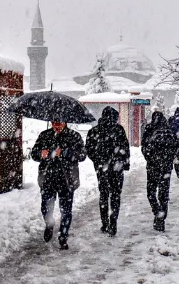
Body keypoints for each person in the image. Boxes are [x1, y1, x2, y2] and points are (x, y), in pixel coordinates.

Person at [31, 120, 86, 250]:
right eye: (54, 123)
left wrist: (65, 152)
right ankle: (49, 224)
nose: (56, 126)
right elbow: (34, 154)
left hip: (67, 179)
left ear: (65, 122)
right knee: (45, 207)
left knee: (66, 210)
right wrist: (40, 154)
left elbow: (82, 155)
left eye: (59, 123)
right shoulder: (45, 135)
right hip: (47, 178)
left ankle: (63, 236)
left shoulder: (74, 136)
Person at [86, 106, 130, 237]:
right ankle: (113, 221)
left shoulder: (94, 131)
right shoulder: (119, 130)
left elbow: (88, 148)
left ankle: (105, 223)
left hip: (102, 169)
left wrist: (98, 161)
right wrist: (125, 163)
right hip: (117, 168)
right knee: (115, 195)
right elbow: (125, 148)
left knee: (104, 195)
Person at [142, 111, 179, 232]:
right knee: (164, 195)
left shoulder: (149, 128)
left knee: (151, 192)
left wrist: (150, 159)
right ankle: (161, 220)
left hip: (153, 166)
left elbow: (144, 147)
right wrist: (168, 160)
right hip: (166, 168)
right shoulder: (169, 130)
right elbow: (176, 147)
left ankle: (157, 211)